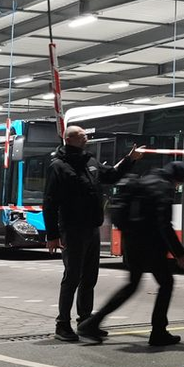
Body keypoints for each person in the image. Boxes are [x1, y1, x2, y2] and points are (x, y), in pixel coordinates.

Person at [41, 127, 142, 342]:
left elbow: (112, 176)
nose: (86, 137)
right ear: (70, 139)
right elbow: (50, 203)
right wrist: (52, 235)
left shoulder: (90, 162)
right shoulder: (58, 166)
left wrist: (129, 159)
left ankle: (85, 322)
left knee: (89, 278)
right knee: (72, 277)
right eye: (81, 135)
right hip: (72, 229)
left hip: (91, 229)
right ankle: (62, 324)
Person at [78, 160, 184, 347]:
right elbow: (164, 224)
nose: (178, 186)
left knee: (131, 285)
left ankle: (91, 323)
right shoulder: (164, 188)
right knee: (166, 283)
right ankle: (158, 332)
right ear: (177, 178)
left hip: (131, 242)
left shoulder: (147, 179)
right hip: (151, 245)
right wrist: (179, 253)